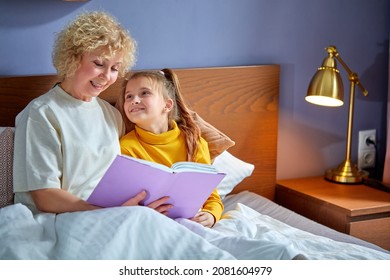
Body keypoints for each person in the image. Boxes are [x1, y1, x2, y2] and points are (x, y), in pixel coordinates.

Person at [13, 11, 171, 215]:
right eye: (98, 64)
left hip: (115, 213)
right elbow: (45, 197)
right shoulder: (42, 113)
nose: (106, 77)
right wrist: (108, 212)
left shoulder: (113, 115)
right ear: (72, 58)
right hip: (64, 217)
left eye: (115, 68)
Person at [117, 68, 224, 227]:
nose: (134, 100)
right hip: (151, 224)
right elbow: (122, 200)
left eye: (144, 93)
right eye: (129, 96)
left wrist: (211, 215)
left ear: (167, 105)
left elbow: (212, 196)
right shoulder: (125, 148)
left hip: (191, 223)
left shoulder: (194, 142)